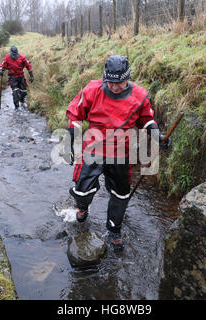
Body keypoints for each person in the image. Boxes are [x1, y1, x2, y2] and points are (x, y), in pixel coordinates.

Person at [65, 55, 171, 250]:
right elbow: (74, 115)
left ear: (127, 78)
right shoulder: (92, 90)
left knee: (120, 194)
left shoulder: (139, 96)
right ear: (105, 78)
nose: (115, 87)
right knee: (82, 188)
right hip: (94, 147)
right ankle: (82, 206)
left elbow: (146, 120)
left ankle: (114, 230)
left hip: (121, 151)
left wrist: (157, 136)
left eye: (120, 82)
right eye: (111, 82)